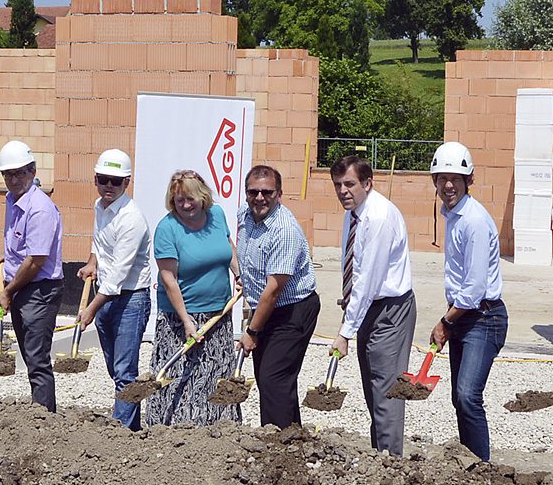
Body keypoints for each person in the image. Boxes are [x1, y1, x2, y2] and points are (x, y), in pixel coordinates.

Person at [427, 143, 507, 462]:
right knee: (459, 398)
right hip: (464, 315)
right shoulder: (452, 216)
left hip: (484, 318)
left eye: (455, 178)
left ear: (469, 179)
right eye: (442, 178)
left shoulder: (473, 220)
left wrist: (446, 321)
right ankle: (468, 463)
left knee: (467, 395)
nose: (448, 185)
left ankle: (481, 470)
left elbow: (474, 288)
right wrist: (450, 318)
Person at [330, 155, 415, 456]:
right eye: (338, 185)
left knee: (386, 392)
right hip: (368, 307)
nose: (343, 191)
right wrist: (349, 306)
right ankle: (379, 455)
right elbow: (353, 265)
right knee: (373, 389)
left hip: (390, 310)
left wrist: (345, 332)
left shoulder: (378, 217)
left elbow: (369, 279)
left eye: (350, 184)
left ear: (367, 183)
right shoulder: (353, 213)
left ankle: (391, 464)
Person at [145, 169, 240, 426]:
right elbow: (168, 279)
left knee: (215, 373)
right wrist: (186, 321)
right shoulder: (167, 229)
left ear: (203, 197)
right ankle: (173, 431)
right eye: (179, 200)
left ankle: (218, 429)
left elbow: (228, 249)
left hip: (218, 314)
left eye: (190, 199)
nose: (185, 205)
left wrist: (240, 275)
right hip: (180, 318)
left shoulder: (217, 216)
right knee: (180, 377)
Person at [236, 165, 320, 429]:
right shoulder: (246, 215)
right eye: (253, 192)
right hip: (268, 307)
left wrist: (251, 331)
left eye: (267, 192)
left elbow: (273, 291)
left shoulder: (284, 230)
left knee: (273, 378)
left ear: (279, 194)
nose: (259, 197)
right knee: (271, 378)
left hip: (292, 310)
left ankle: (276, 444)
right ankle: (291, 435)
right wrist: (243, 275)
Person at [77, 149, 152, 430]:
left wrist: (89, 310)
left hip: (131, 297)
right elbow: (99, 242)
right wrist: (92, 263)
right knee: (115, 369)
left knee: (124, 372)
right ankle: (131, 426)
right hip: (106, 294)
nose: (109, 186)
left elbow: (119, 274)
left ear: (127, 183)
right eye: (104, 179)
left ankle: (120, 433)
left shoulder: (131, 219)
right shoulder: (100, 206)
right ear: (95, 179)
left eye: (116, 181)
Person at [0, 140, 64, 413]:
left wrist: (8, 291)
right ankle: (39, 412)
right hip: (22, 287)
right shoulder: (13, 200)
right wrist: (8, 259)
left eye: (19, 173)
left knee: (37, 360)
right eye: (7, 174)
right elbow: (21, 247)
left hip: (39, 290)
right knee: (29, 354)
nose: (13, 179)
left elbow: (35, 261)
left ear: (33, 171)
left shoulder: (40, 208)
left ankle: (44, 418)